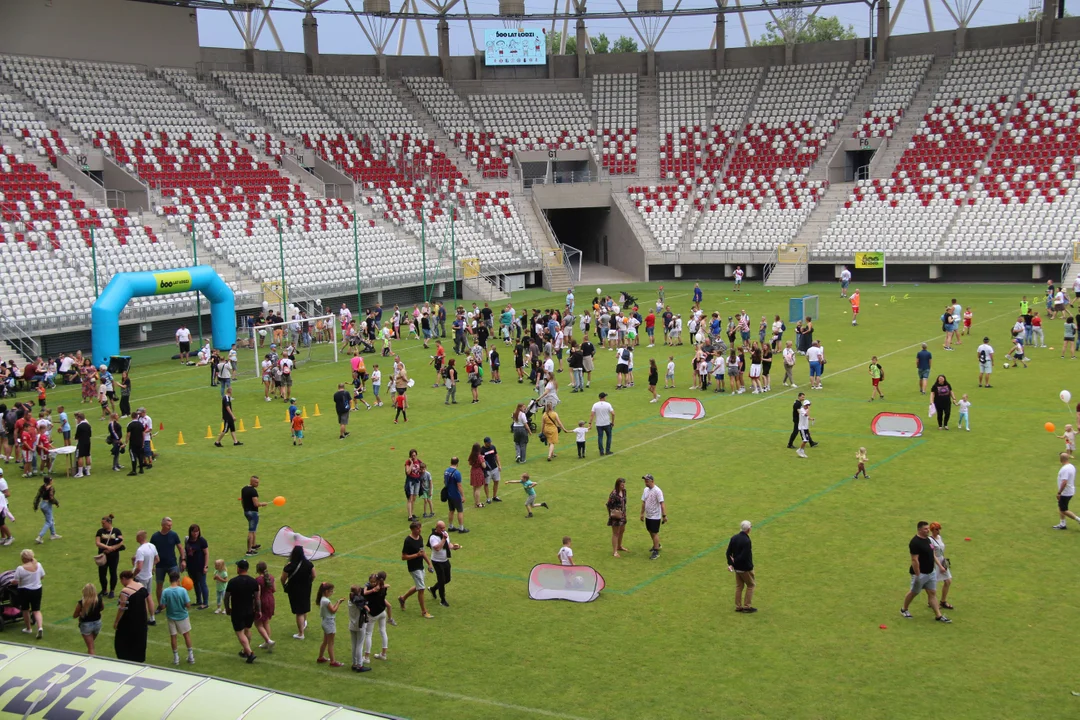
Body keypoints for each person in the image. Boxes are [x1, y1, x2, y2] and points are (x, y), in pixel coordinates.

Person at [900, 521, 951, 623]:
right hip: (920, 574)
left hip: (931, 572)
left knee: (932, 593)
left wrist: (939, 566)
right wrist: (918, 575)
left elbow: (932, 554)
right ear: (919, 530)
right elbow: (914, 560)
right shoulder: (915, 542)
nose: (928, 530)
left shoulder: (928, 540)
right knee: (914, 592)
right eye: (925, 529)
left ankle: (938, 615)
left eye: (928, 528)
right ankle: (904, 609)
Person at [225, 558, 261, 663]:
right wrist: (258, 610)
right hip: (250, 610)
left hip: (237, 611)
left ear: (239, 568)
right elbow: (257, 598)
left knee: (240, 633)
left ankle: (249, 653)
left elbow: (227, 597)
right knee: (247, 629)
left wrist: (227, 608)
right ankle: (245, 651)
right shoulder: (253, 581)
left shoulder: (233, 582)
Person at [399, 521, 435, 619]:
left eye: (420, 528)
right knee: (421, 588)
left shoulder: (420, 538)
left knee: (418, 586)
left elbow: (422, 552)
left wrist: (429, 564)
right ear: (412, 529)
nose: (419, 530)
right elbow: (403, 557)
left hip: (420, 566)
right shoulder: (408, 540)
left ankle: (403, 598)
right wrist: (416, 555)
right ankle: (424, 611)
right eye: (417, 528)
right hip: (413, 568)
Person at [113, 570, 149, 662]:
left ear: (124, 579)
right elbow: (146, 603)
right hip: (141, 620)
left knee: (123, 642)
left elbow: (122, 608)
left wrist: (116, 622)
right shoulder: (141, 586)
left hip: (129, 621)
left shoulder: (125, 591)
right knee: (139, 641)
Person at [282, 545, 316, 639]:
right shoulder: (308, 564)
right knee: (304, 607)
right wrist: (309, 582)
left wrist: (285, 585)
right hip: (306, 588)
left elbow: (283, 578)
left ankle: (301, 633)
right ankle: (304, 623)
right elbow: (314, 575)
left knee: (299, 612)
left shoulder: (290, 566)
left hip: (294, 590)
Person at [162, 570, 196, 666]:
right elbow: (188, 605)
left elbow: (163, 606)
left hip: (171, 616)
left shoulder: (165, 591)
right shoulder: (183, 590)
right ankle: (191, 656)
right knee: (186, 635)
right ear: (178, 580)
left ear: (169, 580)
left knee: (173, 636)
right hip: (182, 616)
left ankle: (176, 658)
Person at [150, 517, 183, 614]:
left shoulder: (173, 535)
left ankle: (178, 604)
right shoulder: (155, 536)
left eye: (171, 525)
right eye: (168, 525)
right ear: (163, 525)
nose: (170, 527)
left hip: (172, 564)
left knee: (177, 584)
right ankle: (161, 605)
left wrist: (183, 560)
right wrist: (152, 565)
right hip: (160, 565)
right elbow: (151, 551)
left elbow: (180, 548)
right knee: (159, 585)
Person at [726, 520, 757, 613]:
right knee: (751, 585)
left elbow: (728, 553)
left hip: (737, 569)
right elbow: (744, 556)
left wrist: (731, 564)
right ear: (748, 529)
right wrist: (734, 563)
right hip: (745, 568)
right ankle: (747, 606)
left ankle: (738, 606)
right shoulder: (747, 541)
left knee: (739, 586)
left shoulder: (734, 538)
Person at [428, 520, 460, 607]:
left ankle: (433, 589)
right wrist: (443, 539)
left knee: (448, 579)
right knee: (441, 581)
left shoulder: (445, 533)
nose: (443, 529)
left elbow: (448, 544)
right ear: (437, 527)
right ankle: (442, 600)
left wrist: (454, 547)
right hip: (437, 561)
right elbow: (437, 548)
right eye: (441, 528)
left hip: (445, 560)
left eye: (444, 528)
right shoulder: (433, 537)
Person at [16, 548, 45, 637]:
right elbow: (42, 576)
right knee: (36, 610)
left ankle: (28, 628)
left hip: (24, 590)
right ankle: (40, 627)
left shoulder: (20, 569)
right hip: (37, 589)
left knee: (25, 609)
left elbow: (16, 580)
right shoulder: (38, 565)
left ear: (24, 558)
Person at [315, 582, 345, 667]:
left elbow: (331, 609)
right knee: (331, 643)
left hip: (325, 621)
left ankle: (320, 657)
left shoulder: (323, 599)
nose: (332, 593)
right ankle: (333, 661)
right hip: (329, 623)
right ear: (326, 591)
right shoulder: (326, 601)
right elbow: (333, 611)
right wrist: (338, 603)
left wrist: (337, 602)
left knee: (325, 641)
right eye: (331, 591)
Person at [132, 530, 158, 624]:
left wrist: (133, 575)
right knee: (149, 596)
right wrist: (151, 566)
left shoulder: (140, 550)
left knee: (141, 599)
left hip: (141, 577)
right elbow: (157, 559)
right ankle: (152, 618)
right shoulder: (152, 546)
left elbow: (139, 567)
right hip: (149, 575)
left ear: (140, 538)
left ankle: (142, 619)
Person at [95, 514, 123, 598]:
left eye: (104, 523)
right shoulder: (100, 531)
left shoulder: (116, 531)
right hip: (103, 555)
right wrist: (107, 547)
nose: (102, 525)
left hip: (113, 556)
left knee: (113, 572)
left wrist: (112, 548)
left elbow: (121, 542)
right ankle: (104, 590)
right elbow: (98, 542)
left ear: (109, 522)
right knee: (102, 574)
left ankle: (112, 590)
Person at [927, 523, 954, 610]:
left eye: (939, 529)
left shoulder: (939, 537)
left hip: (941, 560)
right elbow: (933, 554)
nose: (938, 531)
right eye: (936, 529)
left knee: (948, 581)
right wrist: (940, 566)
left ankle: (943, 601)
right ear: (932, 530)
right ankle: (931, 602)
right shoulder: (929, 540)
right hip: (935, 562)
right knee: (932, 583)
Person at [640, 474, 666, 560]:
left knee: (654, 533)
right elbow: (644, 502)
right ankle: (657, 544)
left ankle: (656, 551)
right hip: (648, 515)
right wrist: (642, 513)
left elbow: (662, 503)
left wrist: (664, 516)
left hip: (655, 516)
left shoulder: (658, 491)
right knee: (650, 531)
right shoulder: (645, 490)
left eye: (647, 481)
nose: (645, 482)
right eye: (645, 481)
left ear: (652, 481)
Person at [184, 524, 210, 610]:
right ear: (190, 532)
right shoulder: (188, 540)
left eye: (197, 531)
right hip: (191, 566)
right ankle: (199, 600)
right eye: (194, 531)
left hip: (200, 566)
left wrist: (205, 566)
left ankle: (205, 602)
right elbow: (186, 552)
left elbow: (206, 553)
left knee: (202, 584)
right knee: (195, 583)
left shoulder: (202, 541)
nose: (196, 533)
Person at [74, 583, 104, 655]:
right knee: (91, 644)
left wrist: (81, 613)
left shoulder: (82, 602)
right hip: (97, 623)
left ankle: (91, 660)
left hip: (86, 625)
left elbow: (75, 615)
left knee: (91, 648)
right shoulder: (99, 599)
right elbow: (102, 608)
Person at [1053, 452, 1080, 529]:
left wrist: (1059, 492)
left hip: (1065, 492)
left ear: (1061, 459)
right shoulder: (1071, 466)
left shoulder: (1065, 469)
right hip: (1069, 490)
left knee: (1064, 509)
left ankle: (1078, 519)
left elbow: (1064, 482)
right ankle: (1062, 524)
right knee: (1061, 506)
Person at [241, 475, 268, 556]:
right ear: (252, 482)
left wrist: (245, 509)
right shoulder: (253, 491)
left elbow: (242, 501)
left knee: (253, 529)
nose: (257, 484)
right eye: (256, 482)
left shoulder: (244, 489)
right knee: (251, 531)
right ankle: (249, 551)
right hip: (253, 513)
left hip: (246, 512)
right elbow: (256, 504)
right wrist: (263, 504)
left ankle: (253, 545)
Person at [254, 560, 276, 651]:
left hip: (263, 601)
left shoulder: (258, 580)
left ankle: (268, 641)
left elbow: (257, 595)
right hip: (270, 599)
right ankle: (268, 642)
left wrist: (257, 606)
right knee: (266, 621)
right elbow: (274, 589)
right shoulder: (271, 577)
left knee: (258, 623)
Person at [32, 475, 60, 544]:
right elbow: (51, 498)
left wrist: (36, 505)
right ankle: (40, 537)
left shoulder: (42, 487)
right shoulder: (51, 488)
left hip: (42, 504)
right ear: (49, 481)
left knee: (50, 519)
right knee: (49, 522)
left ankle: (53, 534)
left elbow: (38, 496)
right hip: (47, 505)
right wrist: (56, 503)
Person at [443, 457, 468, 533]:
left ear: (451, 462)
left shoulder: (446, 471)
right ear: (457, 463)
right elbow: (459, 485)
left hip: (449, 494)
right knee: (460, 511)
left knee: (451, 510)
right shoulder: (457, 473)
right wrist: (463, 496)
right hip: (456, 495)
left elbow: (444, 481)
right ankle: (461, 528)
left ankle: (450, 526)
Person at [606, 477, 628, 557]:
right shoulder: (614, 494)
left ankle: (619, 546)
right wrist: (611, 514)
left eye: (624, 484)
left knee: (622, 530)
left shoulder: (624, 491)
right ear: (618, 485)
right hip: (615, 516)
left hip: (623, 514)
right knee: (616, 533)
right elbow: (608, 504)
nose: (623, 486)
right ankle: (614, 551)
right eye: (622, 485)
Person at [589, 392, 615, 456]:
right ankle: (607, 450)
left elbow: (592, 415)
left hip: (599, 424)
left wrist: (590, 423)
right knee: (609, 437)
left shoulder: (595, 405)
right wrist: (613, 422)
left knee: (600, 437)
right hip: (607, 423)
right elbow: (613, 413)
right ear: (604, 397)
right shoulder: (608, 404)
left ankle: (601, 451)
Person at [481, 437, 502, 503]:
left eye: (490, 442)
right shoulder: (482, 450)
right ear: (485, 443)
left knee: (496, 481)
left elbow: (496, 456)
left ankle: (494, 496)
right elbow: (481, 461)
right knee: (486, 484)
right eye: (488, 442)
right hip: (487, 470)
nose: (490, 443)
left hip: (495, 468)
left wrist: (499, 465)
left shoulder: (493, 447)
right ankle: (488, 498)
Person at [73, 412, 91, 477]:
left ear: (79, 418)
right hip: (88, 441)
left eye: (77, 418)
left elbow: (77, 436)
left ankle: (80, 473)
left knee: (80, 456)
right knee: (87, 455)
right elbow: (90, 434)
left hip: (81, 442)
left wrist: (75, 437)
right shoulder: (88, 425)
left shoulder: (79, 426)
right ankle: (88, 471)